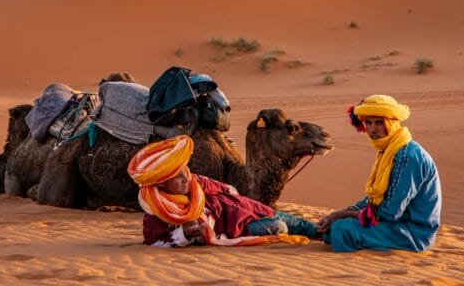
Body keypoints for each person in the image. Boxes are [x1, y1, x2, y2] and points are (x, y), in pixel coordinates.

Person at [127, 134, 318, 247]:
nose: (186, 178)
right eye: (177, 176)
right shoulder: (158, 212)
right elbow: (155, 243)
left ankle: (331, 232)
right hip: (239, 227)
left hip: (250, 208)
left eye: (184, 171)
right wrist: (186, 233)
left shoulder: (197, 182)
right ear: (161, 183)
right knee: (280, 227)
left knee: (307, 227)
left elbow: (229, 190)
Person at [317, 95, 441, 252]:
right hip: (396, 225)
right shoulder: (390, 151)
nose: (373, 129)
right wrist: (338, 214)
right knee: (332, 227)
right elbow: (375, 199)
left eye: (379, 123)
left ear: (392, 123)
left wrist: (344, 214)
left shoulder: (408, 156)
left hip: (413, 233)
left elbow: (391, 212)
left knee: (343, 229)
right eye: (368, 123)